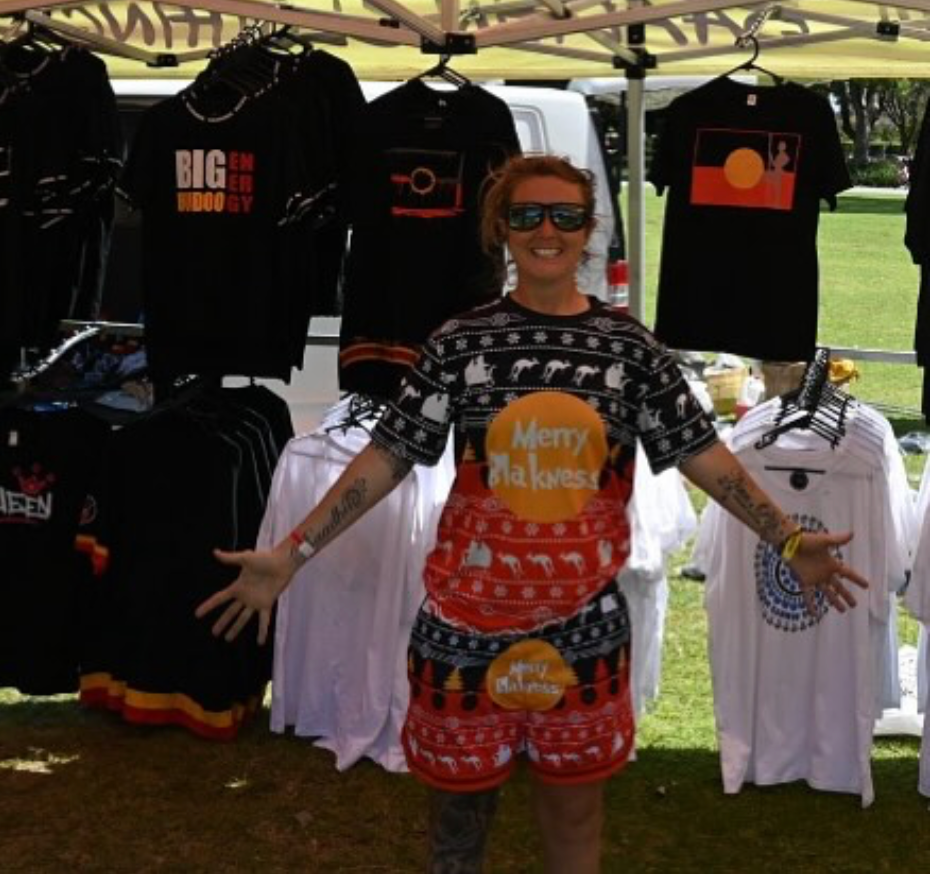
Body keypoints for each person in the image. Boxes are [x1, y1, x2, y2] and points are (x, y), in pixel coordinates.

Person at [197, 154, 867, 874]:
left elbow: (706, 456)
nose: (547, 231)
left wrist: (789, 539)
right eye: (527, 215)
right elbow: (387, 456)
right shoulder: (460, 342)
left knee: (575, 815)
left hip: (584, 635)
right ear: (501, 230)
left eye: (565, 216)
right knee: (458, 826)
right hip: (463, 632)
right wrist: (291, 552)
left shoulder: (629, 350)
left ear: (588, 229)